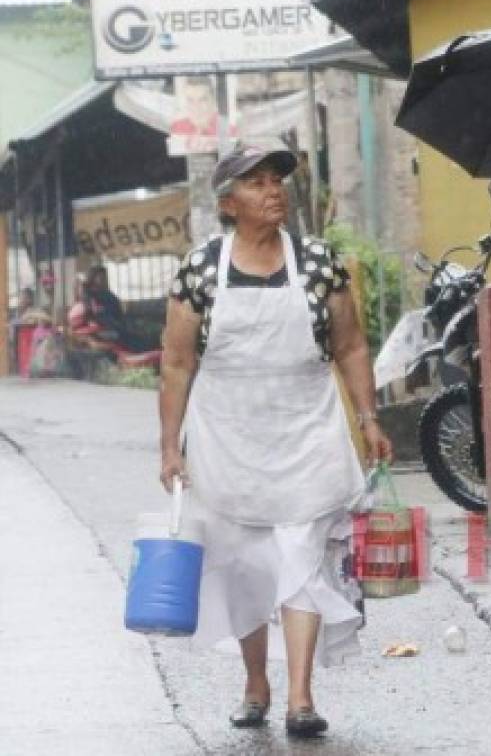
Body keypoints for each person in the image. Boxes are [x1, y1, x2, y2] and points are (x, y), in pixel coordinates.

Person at [159, 139, 392, 739]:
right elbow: (178, 364)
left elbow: (351, 347)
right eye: (258, 183)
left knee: (302, 560)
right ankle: (256, 682)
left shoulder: (317, 262)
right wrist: (169, 447)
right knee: (243, 568)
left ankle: (301, 697)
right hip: (227, 436)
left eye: (277, 181)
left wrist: (368, 419)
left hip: (306, 431)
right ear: (229, 201)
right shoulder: (201, 268)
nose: (274, 192)